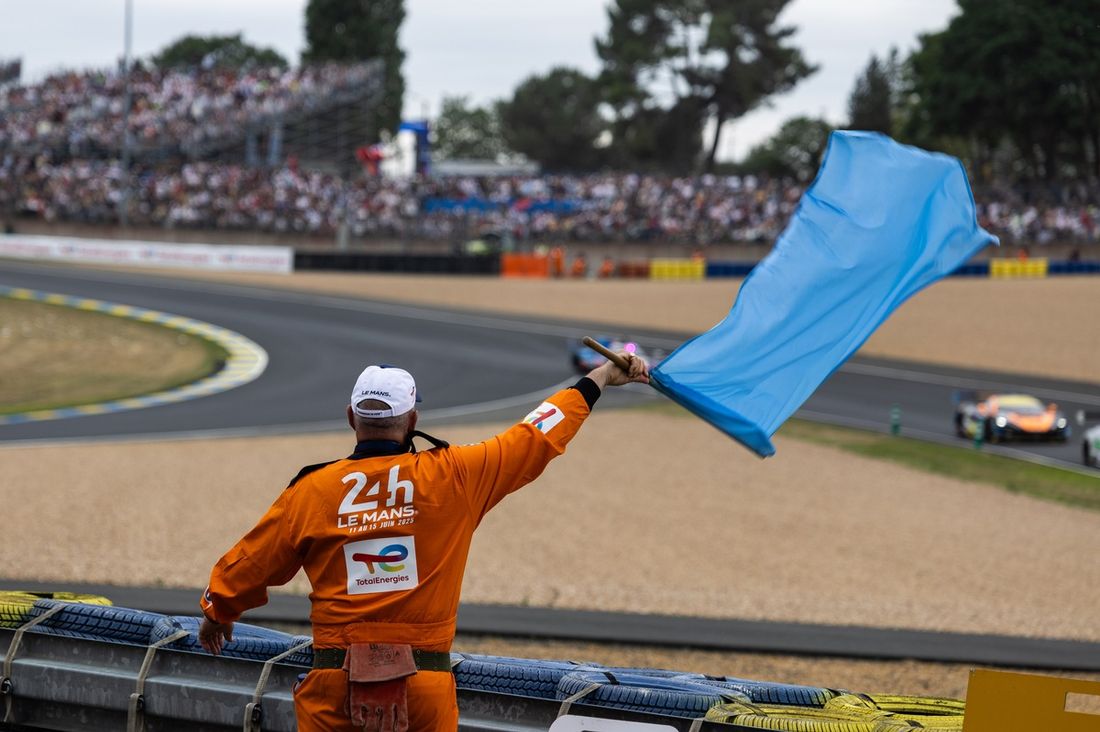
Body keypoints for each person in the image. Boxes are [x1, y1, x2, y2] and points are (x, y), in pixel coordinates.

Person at [198, 355, 650, 731]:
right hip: (424, 687)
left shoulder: (311, 490)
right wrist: (599, 379)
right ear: (413, 419)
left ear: (352, 417)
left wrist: (218, 611)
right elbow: (536, 435)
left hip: (332, 687)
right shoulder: (455, 474)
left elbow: (251, 562)